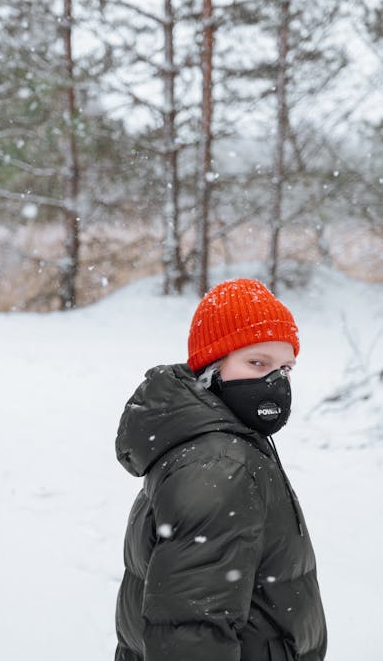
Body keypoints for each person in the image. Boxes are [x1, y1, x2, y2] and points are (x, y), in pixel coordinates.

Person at [114, 278, 327, 661]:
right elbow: (191, 631)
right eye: (257, 363)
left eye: (286, 368)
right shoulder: (219, 466)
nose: (275, 383)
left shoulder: (219, 444)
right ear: (212, 368)